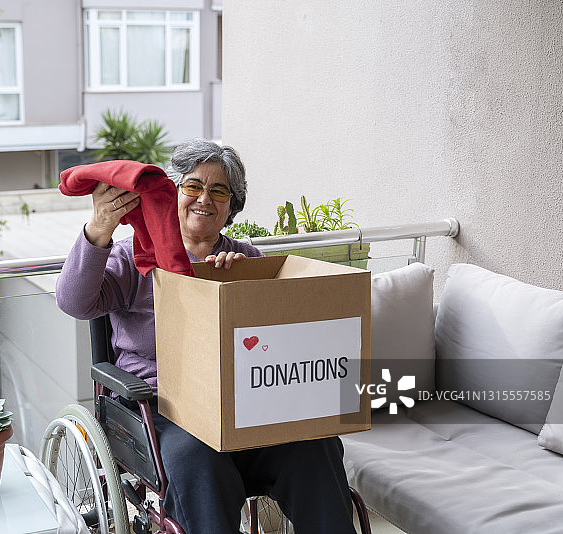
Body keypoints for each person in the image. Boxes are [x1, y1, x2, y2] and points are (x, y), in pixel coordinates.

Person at [56, 138, 356, 533]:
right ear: (173, 194)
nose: (204, 199)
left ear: (232, 206)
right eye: (193, 186)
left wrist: (239, 288)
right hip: (162, 408)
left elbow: (278, 345)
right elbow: (75, 302)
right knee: (200, 459)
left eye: (219, 191)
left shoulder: (248, 261)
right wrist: (98, 230)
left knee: (315, 447)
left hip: (243, 407)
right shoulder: (136, 257)